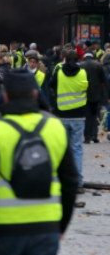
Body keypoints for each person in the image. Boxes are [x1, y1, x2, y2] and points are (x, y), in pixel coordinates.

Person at [0, 71, 79, 255]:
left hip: (4, 226)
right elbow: (70, 180)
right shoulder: (55, 126)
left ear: (5, 96)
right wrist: (62, 224)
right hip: (46, 226)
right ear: (34, 93)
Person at [47, 49, 86, 191]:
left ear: (64, 59)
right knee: (77, 149)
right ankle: (78, 182)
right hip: (79, 115)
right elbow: (86, 88)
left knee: (63, 149)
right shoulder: (82, 72)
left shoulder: (59, 72)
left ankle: (63, 181)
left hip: (62, 115)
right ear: (77, 60)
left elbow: (51, 85)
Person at [79, 52, 106, 144]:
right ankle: (94, 135)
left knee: (87, 116)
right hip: (96, 94)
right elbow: (103, 80)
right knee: (94, 115)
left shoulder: (81, 65)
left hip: (84, 94)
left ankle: (87, 137)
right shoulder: (98, 65)